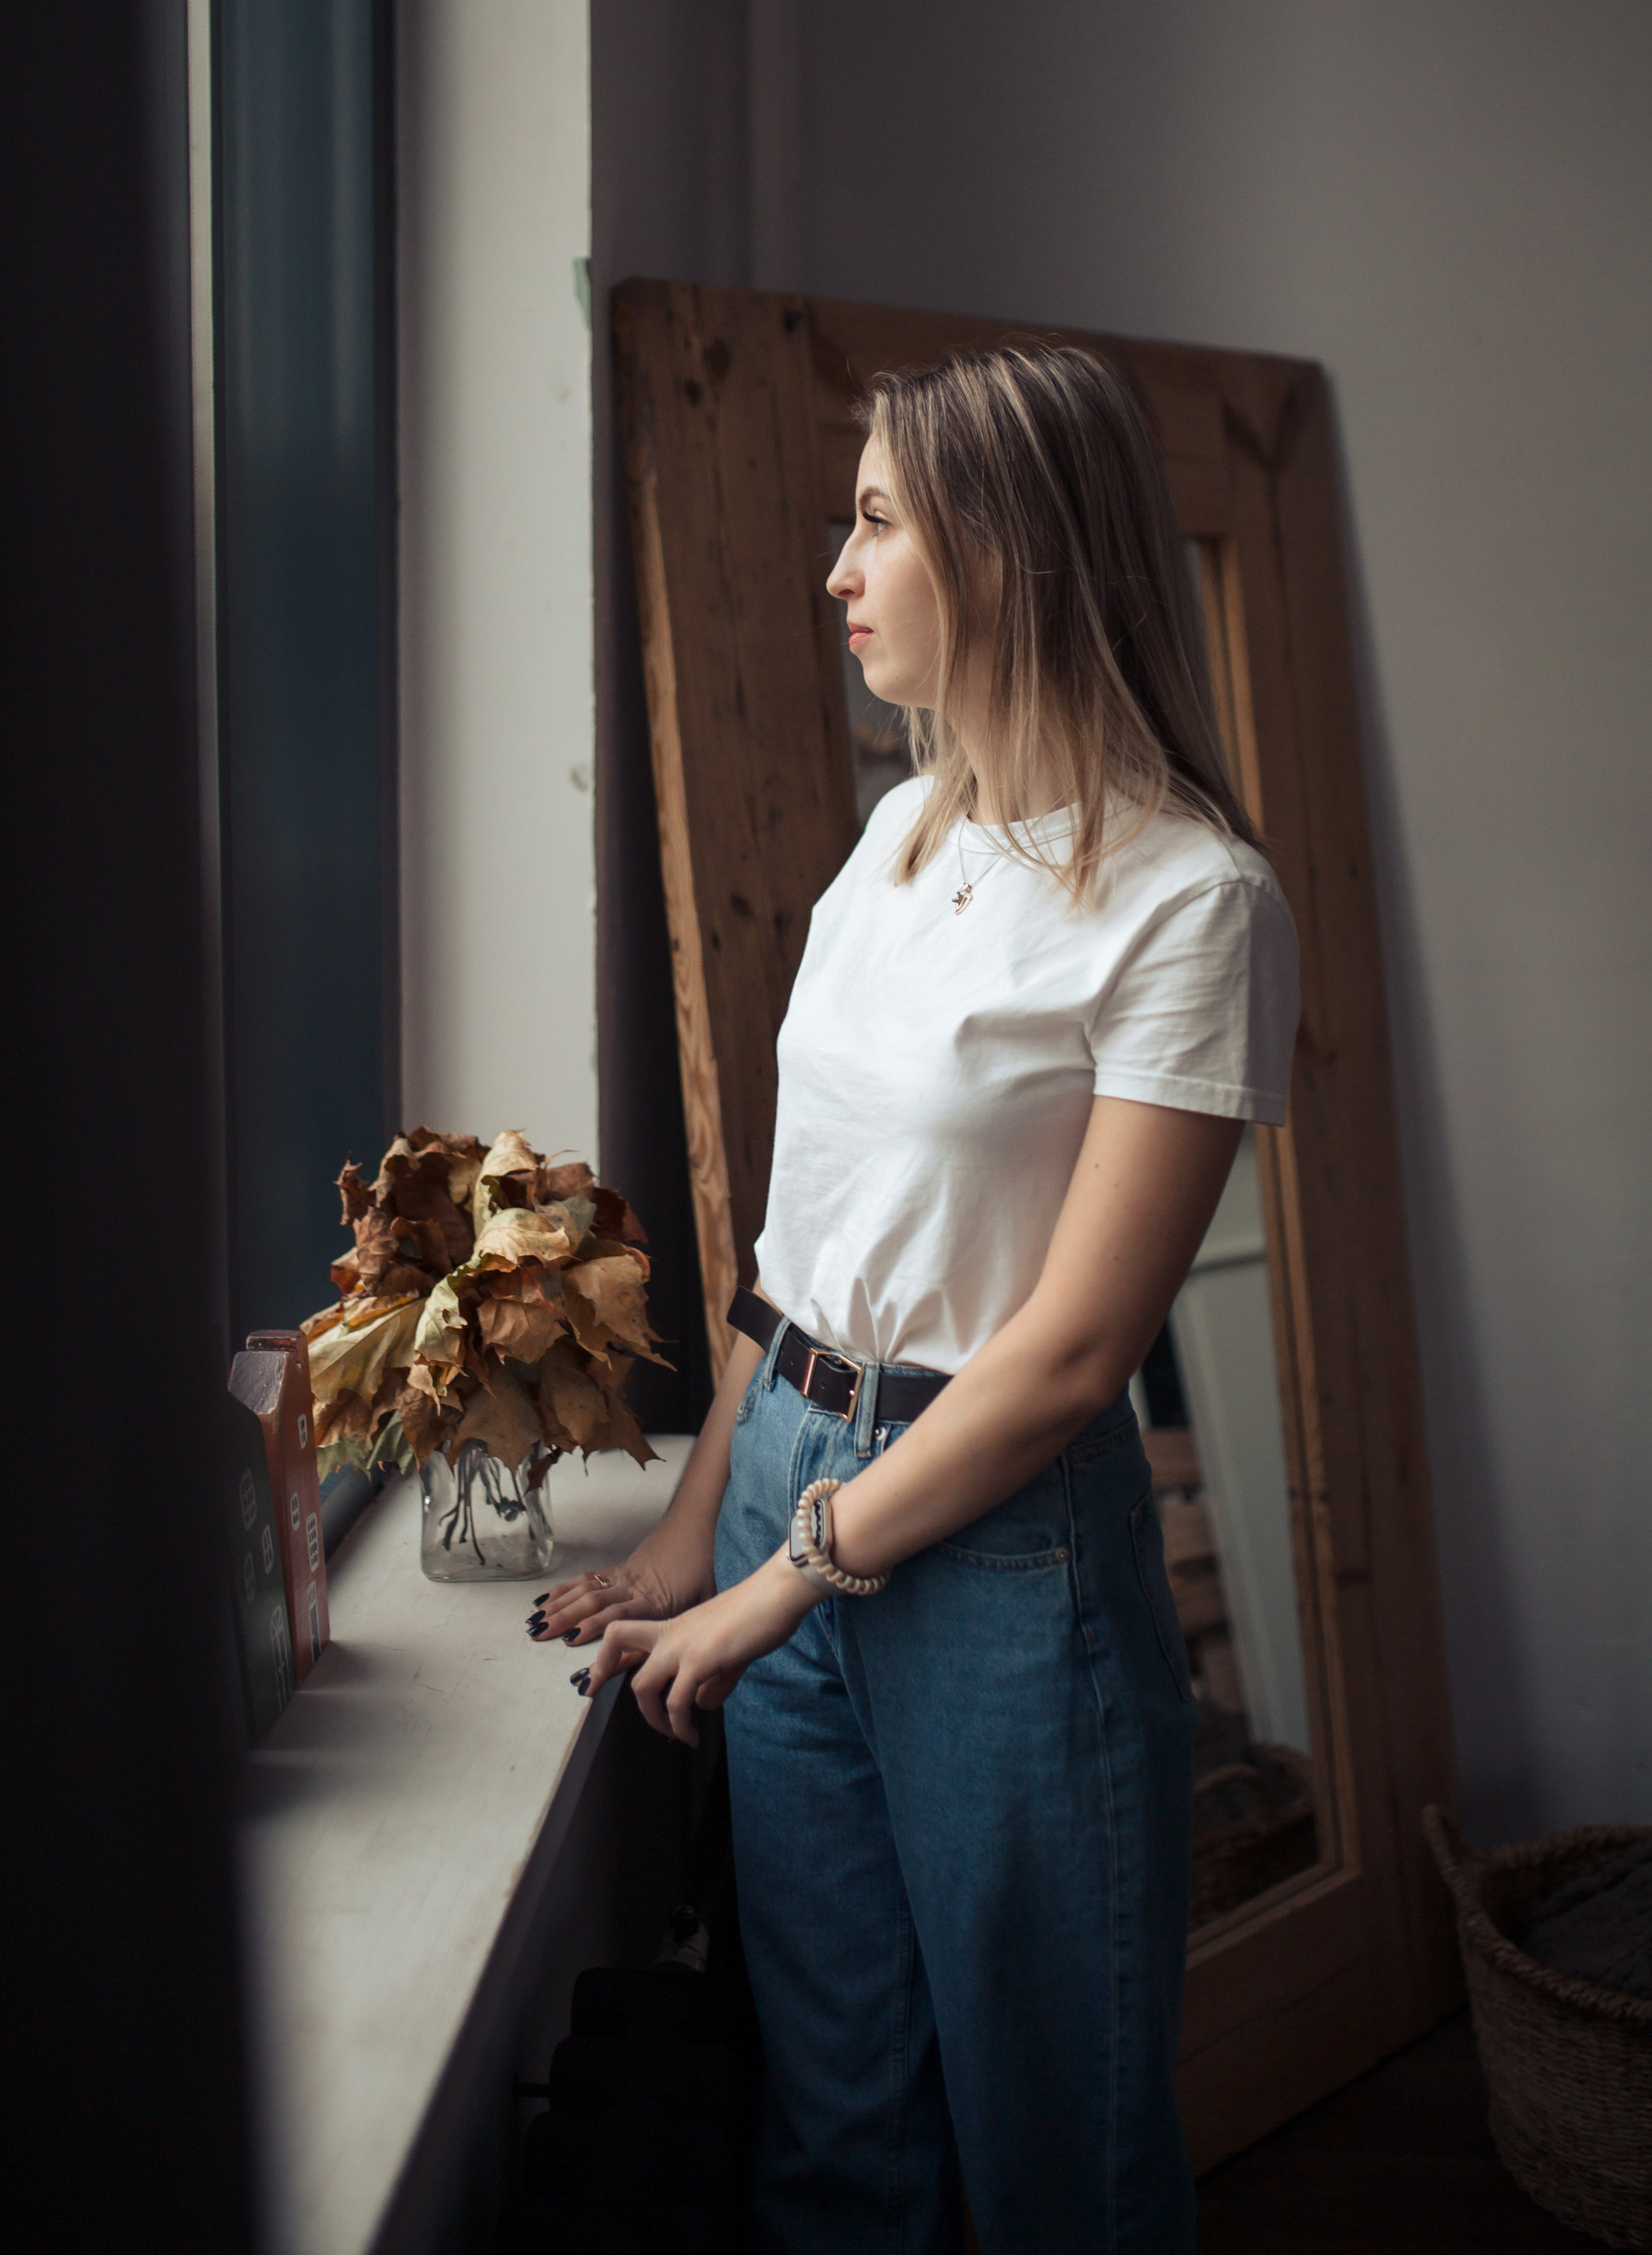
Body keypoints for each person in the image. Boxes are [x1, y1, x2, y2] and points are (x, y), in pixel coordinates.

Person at [534, 340, 1300, 2254]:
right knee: (836, 2134)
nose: (837, 567)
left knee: (1063, 2166)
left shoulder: (1195, 906)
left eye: (875, 520)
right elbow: (798, 1256)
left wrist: (782, 1581)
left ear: (1010, 554)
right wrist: (696, 1537)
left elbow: (1067, 1360)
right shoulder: (897, 838)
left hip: (996, 1548)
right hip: (796, 1463)